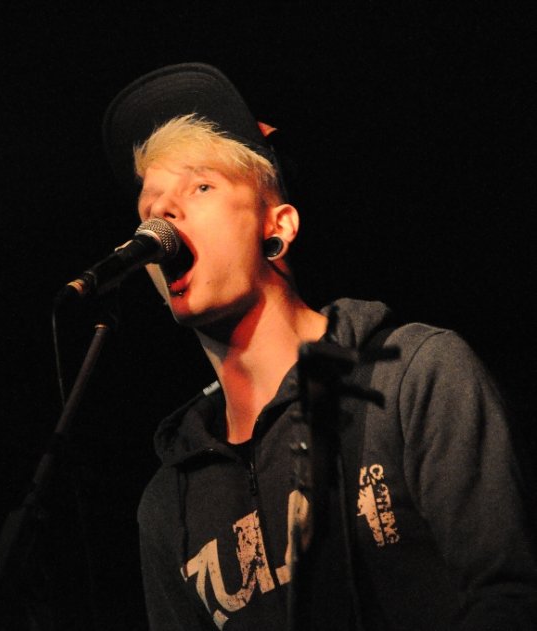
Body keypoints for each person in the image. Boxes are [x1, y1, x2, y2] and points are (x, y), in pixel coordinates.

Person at [100, 62, 537, 630]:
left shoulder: (414, 377)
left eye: (201, 187)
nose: (162, 214)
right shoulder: (168, 504)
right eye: (149, 209)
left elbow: (510, 595)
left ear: (277, 225)